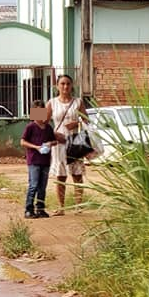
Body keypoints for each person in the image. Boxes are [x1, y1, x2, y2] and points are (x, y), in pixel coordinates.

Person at [46, 74, 86, 215]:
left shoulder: (78, 102)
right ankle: (61, 207)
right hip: (58, 144)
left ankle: (79, 206)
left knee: (77, 174)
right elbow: (37, 120)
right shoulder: (51, 102)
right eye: (62, 83)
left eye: (68, 83)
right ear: (57, 86)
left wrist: (78, 123)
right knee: (60, 175)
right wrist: (53, 134)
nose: (65, 86)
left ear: (72, 85)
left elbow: (88, 121)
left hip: (75, 141)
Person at [20, 100, 58, 219]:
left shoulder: (48, 128)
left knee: (43, 186)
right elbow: (22, 141)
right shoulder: (30, 127)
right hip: (34, 160)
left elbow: (55, 141)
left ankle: (40, 208)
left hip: (45, 160)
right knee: (34, 185)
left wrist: (49, 144)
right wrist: (36, 147)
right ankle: (29, 209)